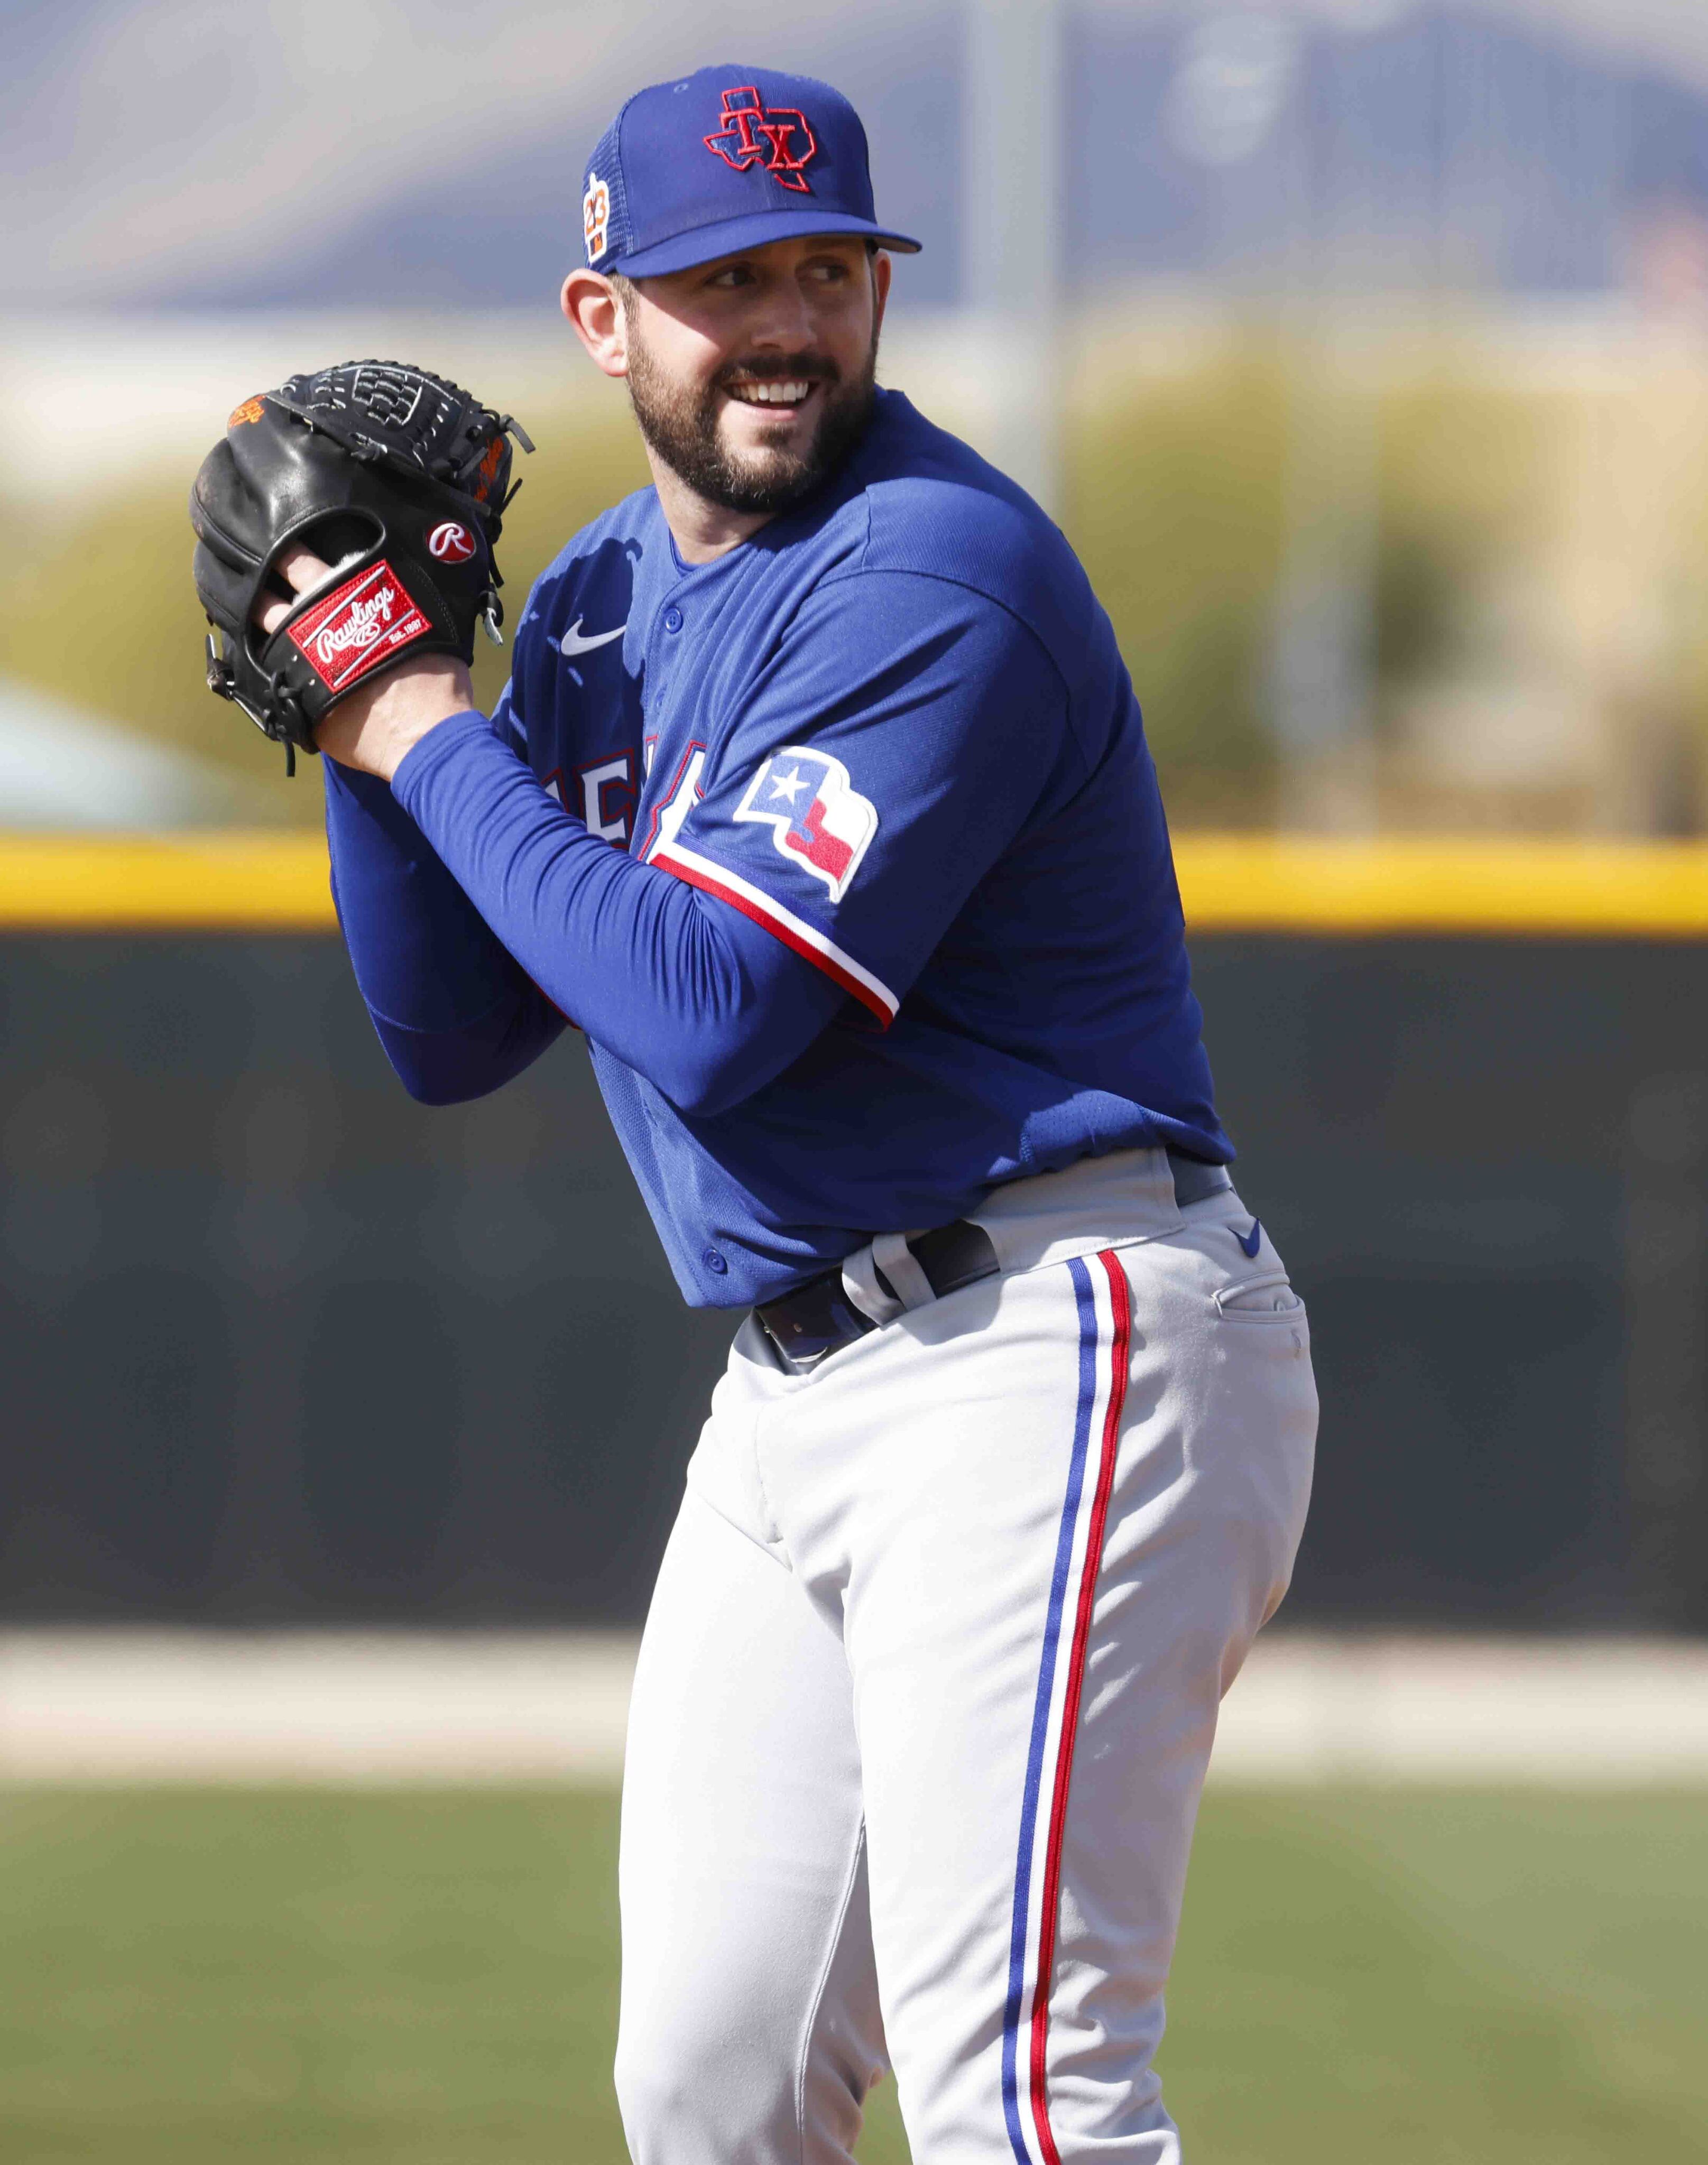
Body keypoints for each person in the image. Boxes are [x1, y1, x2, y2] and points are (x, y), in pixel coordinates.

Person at [267, 63, 1318, 2165]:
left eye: (827, 270)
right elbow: (451, 1036)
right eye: (722, 275)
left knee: (1029, 2095)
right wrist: (366, 721)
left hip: (1049, 1334)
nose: (786, 320)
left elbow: (711, 1007)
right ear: (605, 320)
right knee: (708, 2087)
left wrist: (408, 711)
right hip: (797, 1391)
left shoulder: (933, 570)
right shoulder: (583, 607)